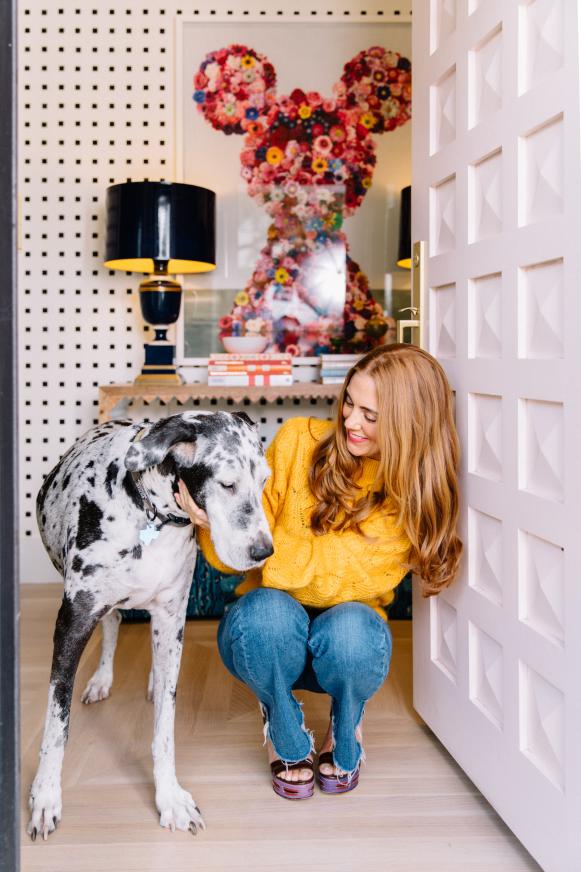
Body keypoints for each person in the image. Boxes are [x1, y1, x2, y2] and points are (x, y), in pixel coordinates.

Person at [176, 343, 462, 800]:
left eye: (371, 415)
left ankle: (347, 722)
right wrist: (217, 524)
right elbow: (231, 558)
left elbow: (341, 576)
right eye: (350, 402)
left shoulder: (408, 496)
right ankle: (282, 725)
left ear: (411, 424)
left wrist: (256, 540)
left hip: (347, 647)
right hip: (268, 639)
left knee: (353, 630)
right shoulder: (295, 441)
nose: (350, 421)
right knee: (263, 614)